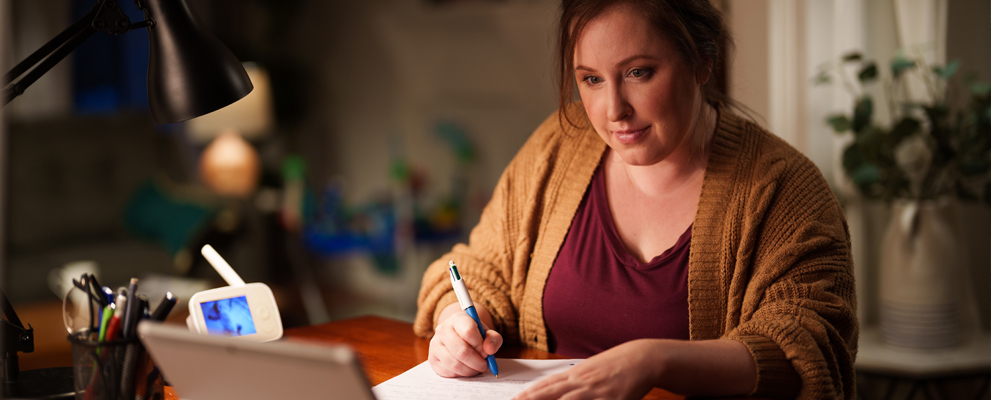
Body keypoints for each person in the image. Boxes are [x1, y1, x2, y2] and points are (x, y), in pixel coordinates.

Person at [414, 0, 858, 399]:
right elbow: (479, 266)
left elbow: (809, 346)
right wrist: (461, 323)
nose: (614, 110)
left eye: (638, 72)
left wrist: (655, 361)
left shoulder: (785, 190)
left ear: (703, 60)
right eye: (590, 79)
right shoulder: (559, 145)